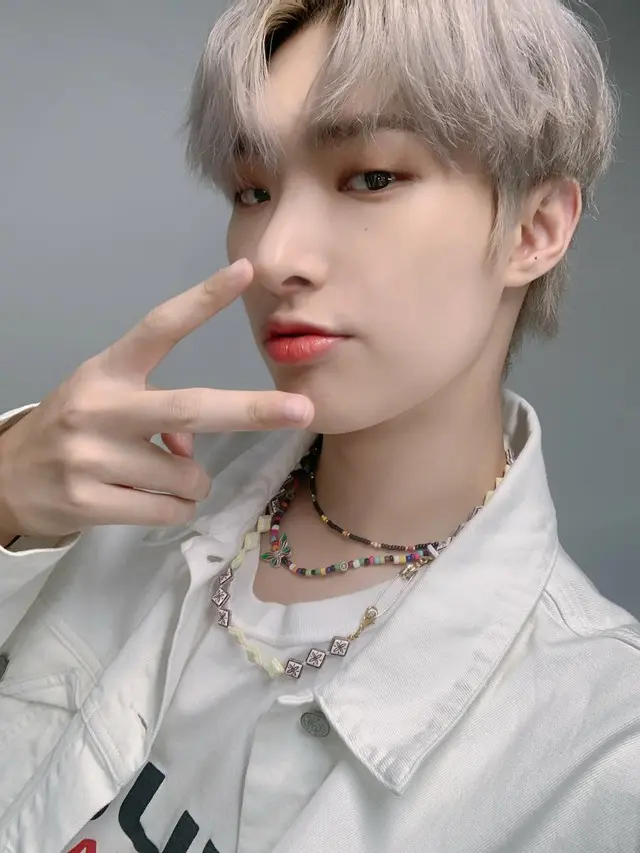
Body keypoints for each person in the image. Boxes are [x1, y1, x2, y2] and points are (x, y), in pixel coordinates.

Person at [0, 0, 636, 850]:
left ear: (535, 227)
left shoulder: (601, 752)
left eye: (370, 177)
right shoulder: (107, 492)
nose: (272, 256)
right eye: (252, 191)